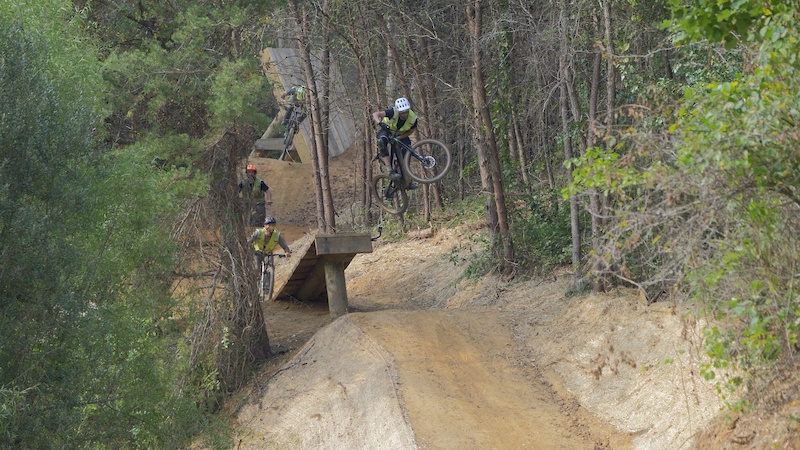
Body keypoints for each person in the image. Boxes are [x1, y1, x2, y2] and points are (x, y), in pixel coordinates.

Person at [371, 97, 418, 184]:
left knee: (407, 152)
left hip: (400, 134)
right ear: (399, 111)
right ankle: (390, 170)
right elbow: (375, 114)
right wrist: (379, 123)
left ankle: (407, 180)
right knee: (381, 142)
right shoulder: (392, 112)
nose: (405, 114)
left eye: (407, 111)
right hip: (387, 131)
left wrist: (399, 138)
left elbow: (411, 130)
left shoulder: (413, 117)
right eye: (402, 112)